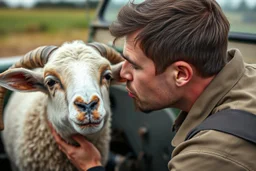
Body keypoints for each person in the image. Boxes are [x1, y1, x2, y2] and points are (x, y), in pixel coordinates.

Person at [50, 0, 256, 170]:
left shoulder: (205, 159)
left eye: (135, 65)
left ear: (181, 74)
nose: (121, 73)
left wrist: (93, 166)